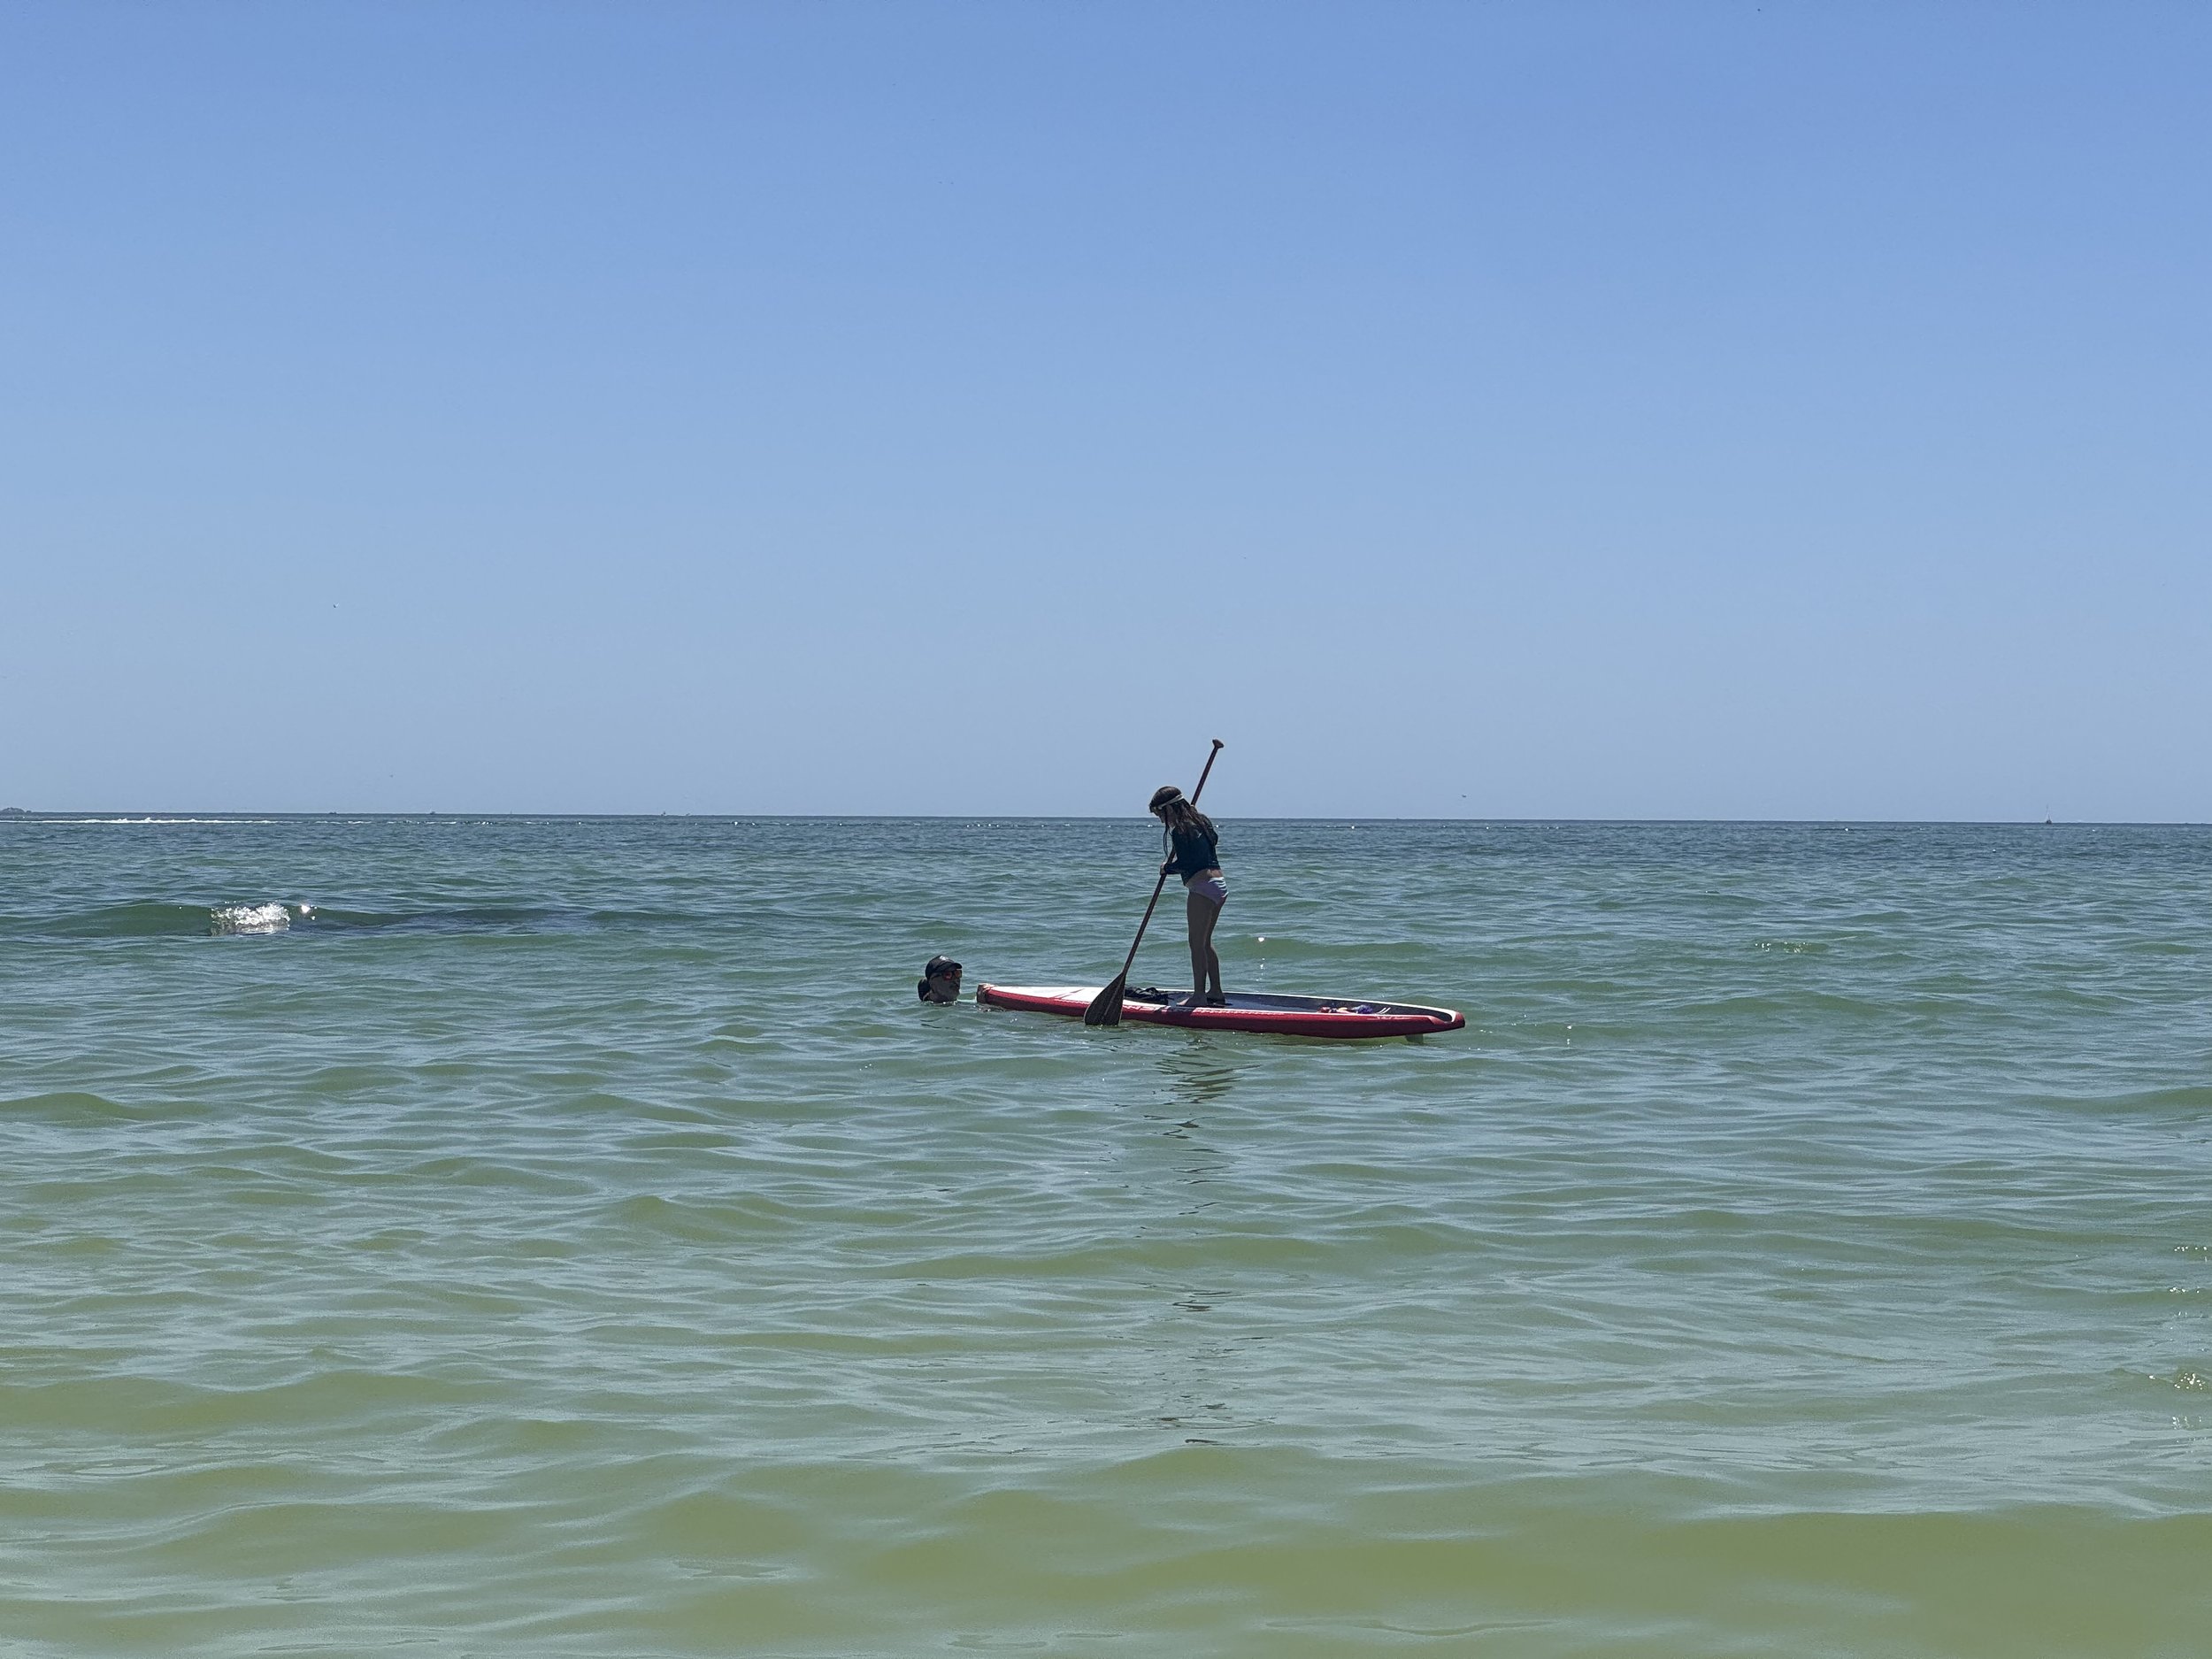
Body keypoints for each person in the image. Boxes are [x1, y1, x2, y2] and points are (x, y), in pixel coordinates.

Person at [1148, 785, 1226, 1006]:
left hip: (1202, 888)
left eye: (1160, 814)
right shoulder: (1202, 821)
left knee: (1195, 944)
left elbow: (1187, 863)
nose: (1161, 820)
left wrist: (1167, 868)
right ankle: (1216, 992)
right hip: (1219, 885)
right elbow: (1212, 842)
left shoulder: (1181, 830)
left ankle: (1199, 996)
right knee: (1205, 942)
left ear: (1169, 809)